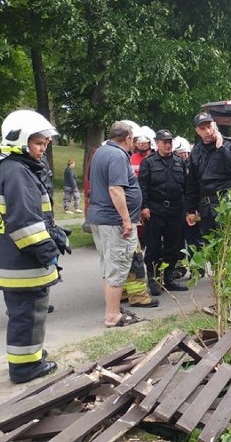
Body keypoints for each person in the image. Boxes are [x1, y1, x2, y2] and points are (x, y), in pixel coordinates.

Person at [0, 110, 62, 384]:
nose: (43, 149)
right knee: (27, 314)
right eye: (38, 143)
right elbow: (24, 223)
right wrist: (49, 253)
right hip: (24, 262)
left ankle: (31, 357)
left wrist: (54, 236)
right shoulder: (19, 172)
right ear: (19, 141)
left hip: (16, 260)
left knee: (28, 314)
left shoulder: (14, 168)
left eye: (45, 143)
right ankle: (25, 369)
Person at [88, 120, 157, 327]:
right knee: (118, 267)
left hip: (100, 218)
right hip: (113, 221)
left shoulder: (100, 152)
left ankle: (114, 309)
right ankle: (112, 316)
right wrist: (127, 220)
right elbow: (116, 189)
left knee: (108, 267)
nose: (134, 144)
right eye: (133, 140)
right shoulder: (117, 155)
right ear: (127, 138)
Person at [138, 129, 190, 294]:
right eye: (164, 142)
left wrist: (188, 209)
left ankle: (168, 278)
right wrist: (144, 207)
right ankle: (153, 280)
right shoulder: (149, 162)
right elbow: (143, 187)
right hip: (156, 210)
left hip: (176, 210)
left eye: (170, 142)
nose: (168, 145)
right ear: (157, 143)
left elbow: (186, 187)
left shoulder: (178, 161)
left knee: (173, 247)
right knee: (153, 248)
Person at [186, 112, 231, 238]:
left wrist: (221, 147)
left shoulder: (229, 144)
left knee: (228, 244)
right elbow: (192, 183)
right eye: (203, 128)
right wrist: (191, 210)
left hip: (227, 204)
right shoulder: (196, 151)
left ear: (214, 125)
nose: (207, 131)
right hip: (206, 208)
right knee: (209, 247)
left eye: (209, 127)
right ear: (197, 131)